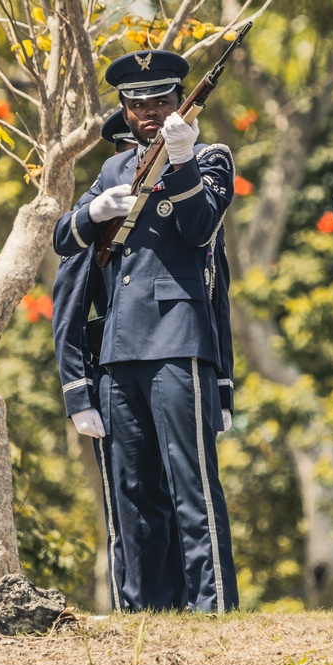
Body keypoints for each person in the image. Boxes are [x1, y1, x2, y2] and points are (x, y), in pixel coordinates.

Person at [52, 50, 238, 613]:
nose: (152, 112)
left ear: (180, 101)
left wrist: (181, 162)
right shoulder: (112, 171)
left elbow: (199, 226)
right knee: (130, 493)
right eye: (140, 105)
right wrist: (92, 212)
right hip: (116, 349)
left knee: (192, 487)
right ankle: (142, 611)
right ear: (126, 112)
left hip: (178, 338)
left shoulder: (210, 158)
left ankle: (211, 608)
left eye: (161, 100)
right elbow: (65, 240)